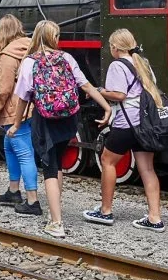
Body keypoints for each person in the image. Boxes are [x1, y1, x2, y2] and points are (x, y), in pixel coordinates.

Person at [8, 21, 112, 238]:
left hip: (45, 119)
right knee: (59, 164)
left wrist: (17, 124)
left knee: (49, 167)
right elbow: (85, 85)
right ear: (54, 37)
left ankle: (56, 223)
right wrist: (106, 107)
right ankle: (55, 212)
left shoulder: (30, 62)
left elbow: (22, 98)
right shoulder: (66, 58)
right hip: (69, 118)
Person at [83, 29, 167, 232]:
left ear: (115, 47)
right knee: (147, 169)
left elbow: (120, 95)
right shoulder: (143, 63)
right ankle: (155, 218)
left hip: (126, 123)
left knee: (107, 160)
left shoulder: (117, 65)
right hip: (145, 125)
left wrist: (101, 91)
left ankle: (105, 211)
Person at [0, 15, 37, 215]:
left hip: (16, 110)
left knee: (23, 152)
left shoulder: (8, 54)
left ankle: (33, 201)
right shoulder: (31, 47)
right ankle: (13, 190)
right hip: (32, 107)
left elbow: (4, 88)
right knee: (9, 146)